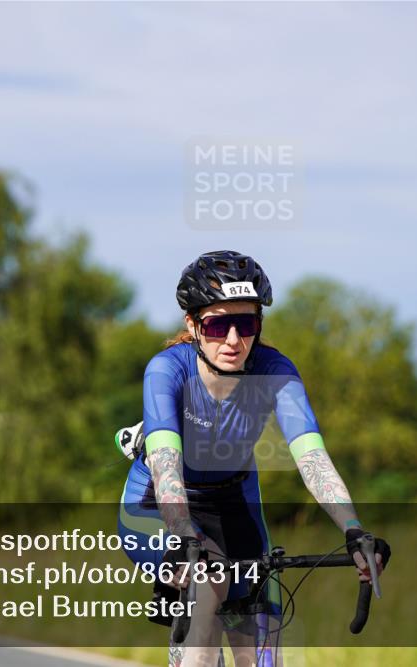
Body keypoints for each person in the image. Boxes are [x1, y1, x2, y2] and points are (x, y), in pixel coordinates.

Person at [117, 250, 384, 667]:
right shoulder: (167, 370)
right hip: (157, 502)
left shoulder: (275, 372)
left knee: (262, 648)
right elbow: (166, 462)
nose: (233, 340)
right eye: (218, 324)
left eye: (247, 324)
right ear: (192, 324)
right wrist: (182, 533)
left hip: (235, 503)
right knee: (210, 582)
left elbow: (312, 460)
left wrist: (353, 530)